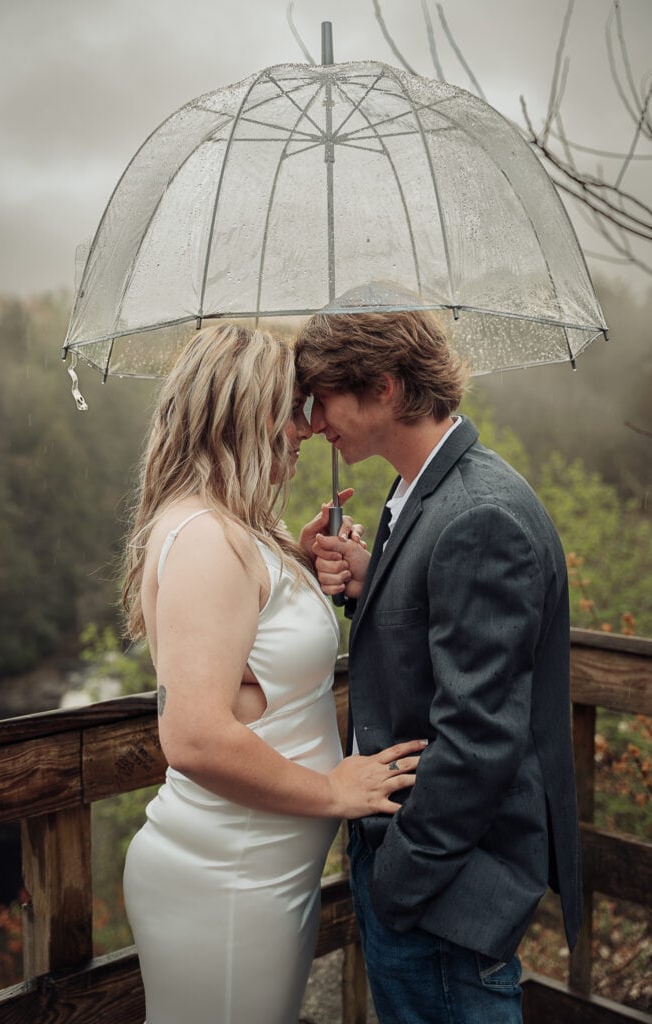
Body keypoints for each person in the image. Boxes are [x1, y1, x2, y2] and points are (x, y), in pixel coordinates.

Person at [121, 323, 425, 1024]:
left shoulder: (236, 528)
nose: (309, 427)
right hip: (226, 878)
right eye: (294, 408)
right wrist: (329, 790)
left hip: (258, 871)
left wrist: (298, 563)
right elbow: (195, 737)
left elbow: (256, 662)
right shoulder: (204, 538)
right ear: (249, 413)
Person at [295, 298, 582, 1024]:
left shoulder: (478, 514)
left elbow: (480, 735)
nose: (312, 420)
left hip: (444, 892)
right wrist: (371, 583)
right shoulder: (420, 492)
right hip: (421, 872)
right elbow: (436, 642)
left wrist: (399, 877)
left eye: (321, 397)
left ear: (383, 386)